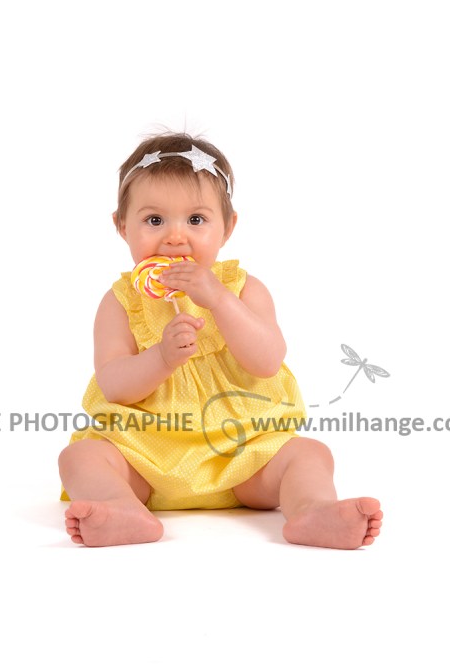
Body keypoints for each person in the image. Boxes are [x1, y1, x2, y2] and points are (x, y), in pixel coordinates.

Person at [58, 132, 383, 549]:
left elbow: (267, 361)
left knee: (309, 453)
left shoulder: (243, 289)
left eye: (196, 220)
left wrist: (219, 300)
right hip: (146, 457)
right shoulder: (121, 302)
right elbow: (113, 385)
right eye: (154, 220)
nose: (175, 237)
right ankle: (120, 507)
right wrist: (161, 358)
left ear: (227, 228)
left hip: (244, 456)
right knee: (80, 458)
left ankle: (313, 510)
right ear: (122, 226)